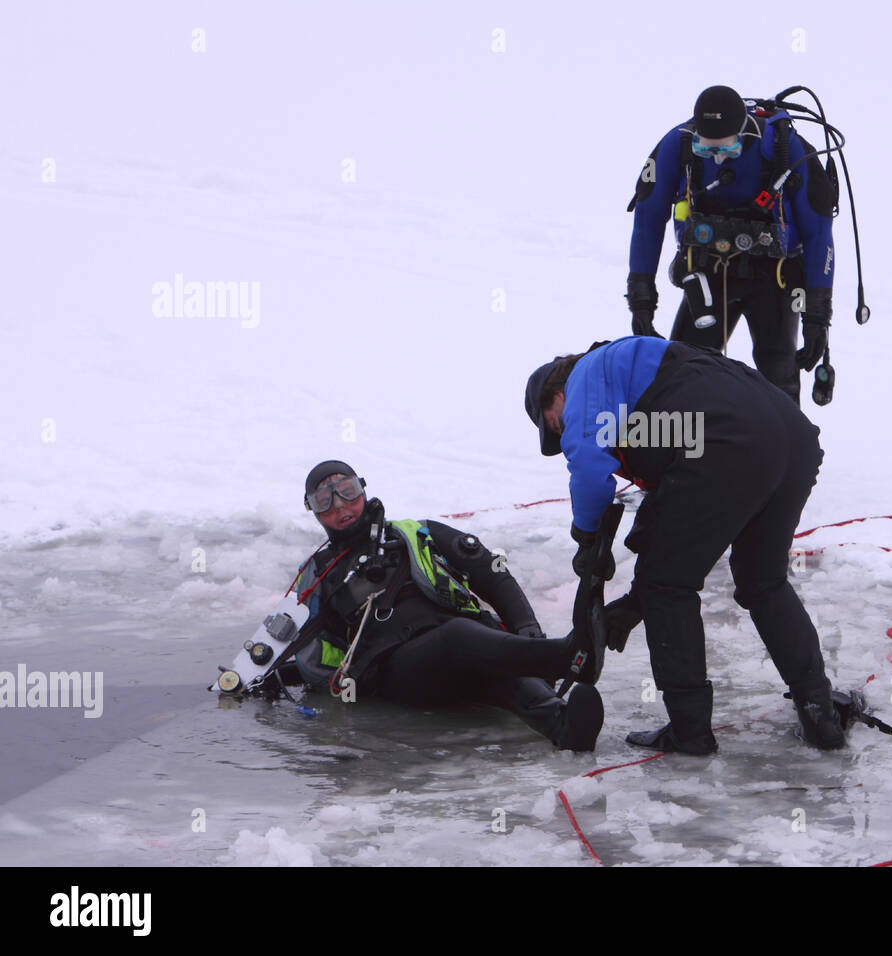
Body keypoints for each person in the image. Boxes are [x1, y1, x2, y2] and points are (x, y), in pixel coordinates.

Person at [524, 337, 850, 755]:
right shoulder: (646, 381)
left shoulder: (588, 374)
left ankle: (689, 731)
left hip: (725, 439)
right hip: (791, 439)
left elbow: (588, 467)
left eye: (555, 423)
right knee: (761, 581)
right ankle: (818, 712)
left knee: (668, 587)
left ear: (557, 392)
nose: (563, 429)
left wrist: (586, 538)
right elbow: (675, 520)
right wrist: (633, 604)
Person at [287, 460, 603, 751]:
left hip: (468, 649)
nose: (340, 505)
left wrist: (528, 632)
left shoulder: (414, 532)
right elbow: (307, 653)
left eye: (346, 490)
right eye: (324, 501)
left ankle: (564, 726)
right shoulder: (318, 575)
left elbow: (492, 573)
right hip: (398, 672)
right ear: (313, 512)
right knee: (459, 637)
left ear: (363, 489)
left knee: (498, 670)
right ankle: (563, 658)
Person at [625, 85, 837, 404]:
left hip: (776, 275)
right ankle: (687, 448)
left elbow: (819, 234)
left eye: (728, 149)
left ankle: (787, 450)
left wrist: (816, 316)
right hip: (708, 270)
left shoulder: (784, 148)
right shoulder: (677, 145)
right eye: (706, 149)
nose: (718, 157)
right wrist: (641, 295)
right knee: (681, 370)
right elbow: (647, 218)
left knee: (779, 373)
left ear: (743, 132)